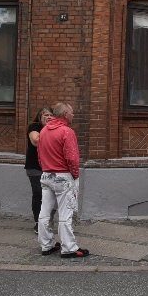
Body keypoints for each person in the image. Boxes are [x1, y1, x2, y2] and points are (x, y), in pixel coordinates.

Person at [37, 102, 89, 258]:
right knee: (65, 214)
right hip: (63, 176)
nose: (73, 115)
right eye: (71, 113)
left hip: (46, 175)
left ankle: (46, 245)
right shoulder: (67, 131)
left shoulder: (44, 130)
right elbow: (72, 158)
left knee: (44, 212)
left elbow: (40, 155)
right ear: (65, 114)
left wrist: (46, 168)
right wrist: (75, 175)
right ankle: (69, 248)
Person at [25, 106, 53, 233]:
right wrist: (49, 129)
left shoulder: (54, 128)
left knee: (51, 195)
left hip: (50, 166)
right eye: (45, 115)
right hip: (35, 166)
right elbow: (36, 141)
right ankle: (38, 222)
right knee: (38, 193)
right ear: (39, 116)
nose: (48, 117)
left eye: (50, 115)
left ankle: (47, 221)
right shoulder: (34, 127)